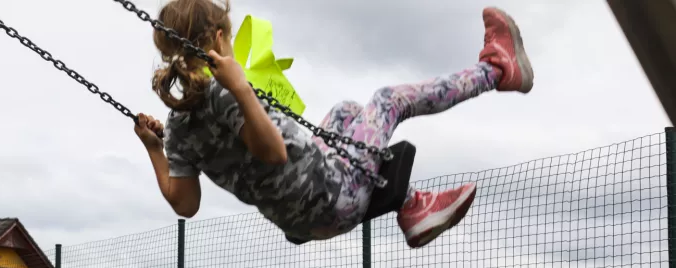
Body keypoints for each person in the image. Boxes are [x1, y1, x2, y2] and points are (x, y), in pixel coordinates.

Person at [134, 1, 533, 249]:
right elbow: (273, 153)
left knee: (344, 113)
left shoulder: (179, 123)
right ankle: (497, 70)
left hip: (302, 217)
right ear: (219, 38)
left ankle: (413, 207)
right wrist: (240, 88)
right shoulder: (226, 93)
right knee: (387, 101)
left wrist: (155, 148)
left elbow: (184, 204)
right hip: (331, 195)